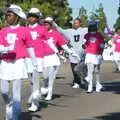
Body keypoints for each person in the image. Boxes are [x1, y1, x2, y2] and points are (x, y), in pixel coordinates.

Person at [0, 4, 37, 120]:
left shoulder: (24, 31)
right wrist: (5, 49)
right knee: (4, 91)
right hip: (5, 63)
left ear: (16, 17)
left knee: (16, 92)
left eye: (9, 15)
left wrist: (34, 61)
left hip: (18, 62)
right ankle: (9, 104)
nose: (7, 17)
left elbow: (30, 47)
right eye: (6, 15)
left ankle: (15, 114)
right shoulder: (3, 31)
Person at [26, 8, 55, 111]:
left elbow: (49, 41)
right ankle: (34, 95)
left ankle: (35, 103)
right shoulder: (25, 29)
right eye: (29, 16)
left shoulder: (42, 29)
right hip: (27, 58)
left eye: (33, 16)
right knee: (31, 81)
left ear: (37, 18)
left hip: (38, 58)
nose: (30, 18)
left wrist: (56, 51)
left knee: (36, 79)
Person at [53, 18, 88, 88]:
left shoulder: (85, 30)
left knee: (82, 69)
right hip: (73, 52)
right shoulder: (69, 31)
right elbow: (61, 31)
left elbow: (93, 28)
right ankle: (76, 81)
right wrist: (54, 23)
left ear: (80, 23)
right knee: (73, 69)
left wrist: (97, 20)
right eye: (74, 23)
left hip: (82, 52)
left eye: (77, 23)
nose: (75, 24)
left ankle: (83, 80)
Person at [82, 21, 105, 93]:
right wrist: (83, 45)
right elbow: (84, 44)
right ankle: (90, 86)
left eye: (94, 26)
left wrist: (101, 54)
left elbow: (102, 45)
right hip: (89, 54)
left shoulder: (99, 35)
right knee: (90, 71)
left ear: (96, 27)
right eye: (91, 26)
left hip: (97, 54)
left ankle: (98, 84)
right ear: (89, 27)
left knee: (97, 71)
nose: (92, 28)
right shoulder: (86, 35)